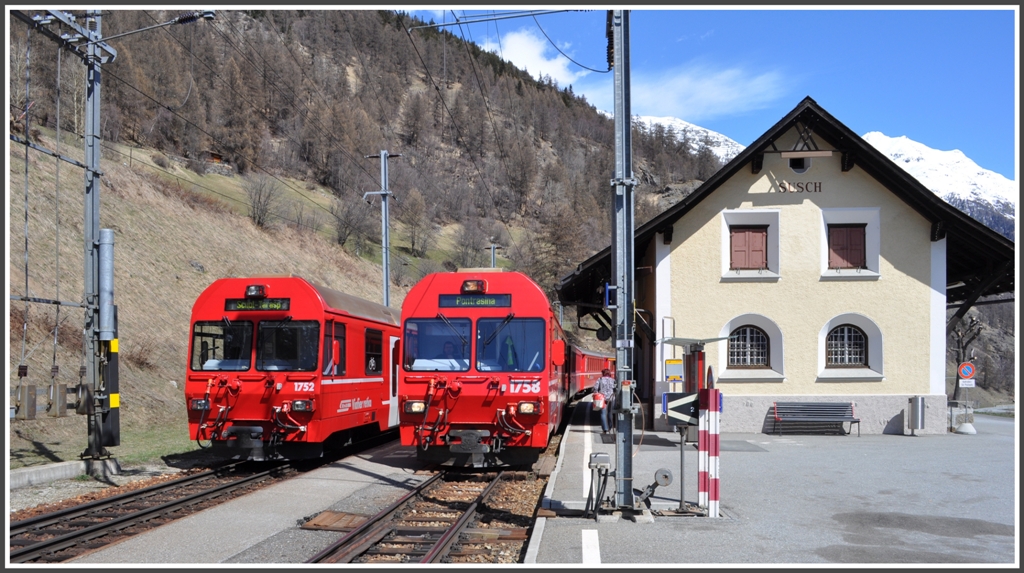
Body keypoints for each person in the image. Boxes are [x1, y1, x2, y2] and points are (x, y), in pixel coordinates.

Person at [593, 369, 616, 434]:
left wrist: (597, 393)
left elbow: (595, 388)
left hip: (602, 398)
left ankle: (605, 429)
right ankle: (610, 427)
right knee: (610, 413)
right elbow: (615, 389)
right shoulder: (613, 380)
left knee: (603, 413)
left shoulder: (600, 379)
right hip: (611, 398)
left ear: (603, 373)